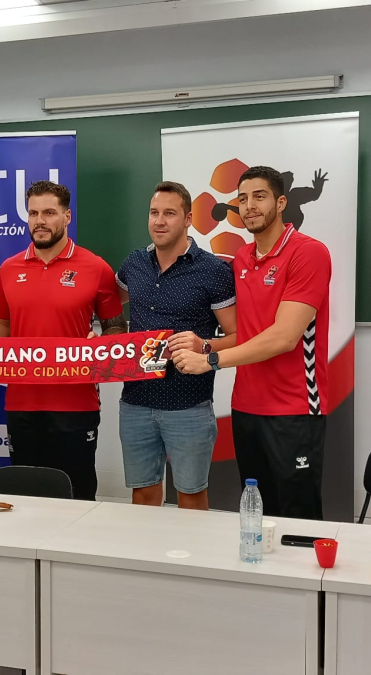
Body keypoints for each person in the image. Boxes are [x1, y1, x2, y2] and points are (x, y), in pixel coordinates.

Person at [173, 166, 332, 519]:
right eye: (242, 199)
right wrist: (206, 345)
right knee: (257, 516)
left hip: (294, 410)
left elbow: (284, 337)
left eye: (259, 197)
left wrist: (210, 362)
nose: (249, 206)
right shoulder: (242, 258)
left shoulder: (309, 253)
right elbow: (248, 331)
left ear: (281, 202)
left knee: (298, 521)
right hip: (246, 409)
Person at [0, 181, 126, 500]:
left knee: (76, 494)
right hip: (21, 402)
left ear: (67, 216)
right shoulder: (9, 269)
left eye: (49, 213)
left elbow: (116, 328)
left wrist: (101, 345)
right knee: (24, 495)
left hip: (76, 404)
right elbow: (1, 323)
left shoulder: (96, 268)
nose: (40, 221)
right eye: (33, 213)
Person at [115, 181, 237, 510]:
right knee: (142, 494)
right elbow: (109, 304)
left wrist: (204, 345)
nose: (160, 221)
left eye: (170, 213)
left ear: (188, 219)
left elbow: (239, 336)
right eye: (154, 213)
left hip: (188, 406)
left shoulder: (213, 271)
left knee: (192, 496)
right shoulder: (134, 264)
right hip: (136, 402)